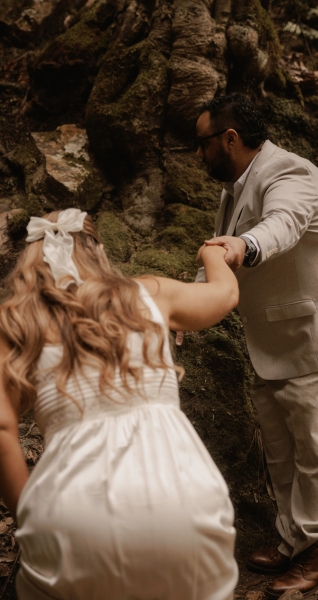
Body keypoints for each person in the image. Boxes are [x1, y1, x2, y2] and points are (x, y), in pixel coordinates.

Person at [0, 208, 239, 600]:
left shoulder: (15, 322)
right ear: (99, 251)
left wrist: (29, 514)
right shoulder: (149, 293)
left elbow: (2, 428)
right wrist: (212, 253)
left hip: (69, 518)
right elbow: (226, 294)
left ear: (31, 260)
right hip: (181, 501)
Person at [192, 93, 318, 599]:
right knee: (282, 452)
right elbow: (221, 253)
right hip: (274, 342)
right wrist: (186, 308)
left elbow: (281, 225)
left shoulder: (290, 173)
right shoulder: (235, 187)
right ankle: (293, 540)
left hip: (316, 342)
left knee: (317, 452)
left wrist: (245, 245)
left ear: (230, 138)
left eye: (202, 143)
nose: (198, 154)